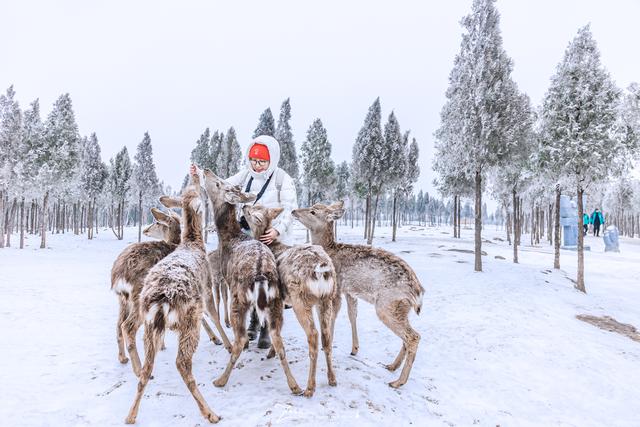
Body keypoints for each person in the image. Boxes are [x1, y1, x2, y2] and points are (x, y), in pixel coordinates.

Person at [191, 134, 297, 349]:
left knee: (272, 279)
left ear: (271, 160)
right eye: (254, 160)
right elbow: (221, 185)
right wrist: (201, 176)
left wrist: (277, 229)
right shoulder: (245, 175)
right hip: (249, 235)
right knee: (252, 278)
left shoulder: (282, 179)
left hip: (272, 237)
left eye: (262, 161)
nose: (257, 165)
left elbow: (289, 208)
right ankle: (254, 322)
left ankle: (268, 326)